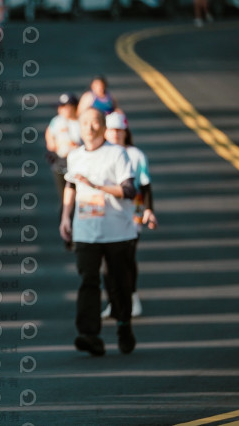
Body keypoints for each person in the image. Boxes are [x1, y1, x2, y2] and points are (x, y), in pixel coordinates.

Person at [59, 107, 137, 356]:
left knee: (118, 283)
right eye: (85, 123)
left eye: (95, 123)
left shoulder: (117, 154)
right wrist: (65, 217)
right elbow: (71, 186)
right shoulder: (75, 156)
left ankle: (124, 325)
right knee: (88, 280)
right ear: (79, 128)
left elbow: (129, 190)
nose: (90, 128)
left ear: (103, 127)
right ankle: (89, 335)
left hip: (117, 231)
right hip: (86, 230)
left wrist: (97, 186)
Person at [101, 112, 158, 319]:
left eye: (119, 130)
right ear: (104, 132)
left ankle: (132, 298)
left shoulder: (136, 155)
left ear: (126, 132)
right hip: (106, 213)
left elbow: (145, 185)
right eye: (111, 130)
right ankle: (113, 302)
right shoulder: (99, 154)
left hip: (132, 213)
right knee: (107, 262)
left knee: (127, 257)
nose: (115, 134)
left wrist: (149, 210)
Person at [45, 92, 82, 206]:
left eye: (64, 107)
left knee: (78, 195)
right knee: (64, 198)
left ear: (73, 107)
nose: (60, 110)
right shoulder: (57, 121)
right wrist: (53, 144)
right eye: (60, 107)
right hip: (60, 162)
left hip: (77, 163)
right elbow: (49, 134)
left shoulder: (81, 122)